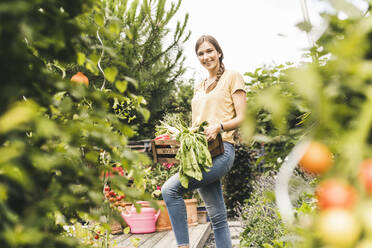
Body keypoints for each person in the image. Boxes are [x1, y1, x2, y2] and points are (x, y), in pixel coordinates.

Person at [161, 35, 246, 248]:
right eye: (201, 53)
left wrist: (220, 126)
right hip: (201, 154)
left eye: (210, 51)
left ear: (219, 52)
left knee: (170, 190)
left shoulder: (232, 76)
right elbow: (196, 126)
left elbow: (242, 117)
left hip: (223, 150)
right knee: (217, 218)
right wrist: (175, 135)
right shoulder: (198, 87)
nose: (206, 56)